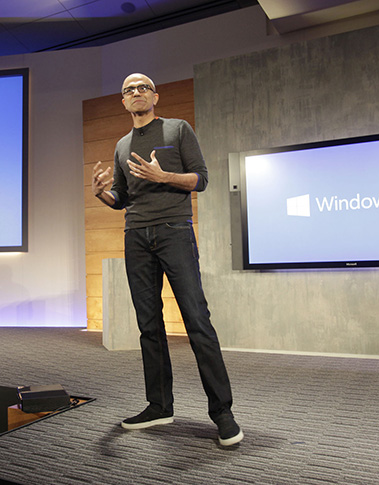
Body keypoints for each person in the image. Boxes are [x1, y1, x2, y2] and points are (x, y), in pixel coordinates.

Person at [91, 73, 243, 446]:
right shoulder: (122, 144)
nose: (136, 92)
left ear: (155, 96)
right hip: (136, 236)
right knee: (148, 324)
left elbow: (201, 179)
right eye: (129, 90)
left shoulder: (177, 129)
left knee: (197, 320)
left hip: (174, 231)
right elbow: (121, 197)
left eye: (143, 87)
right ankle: (159, 406)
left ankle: (222, 413)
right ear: (123, 102)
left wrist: (164, 176)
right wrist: (101, 194)